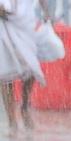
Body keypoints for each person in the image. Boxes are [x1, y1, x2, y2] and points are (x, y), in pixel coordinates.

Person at [0, 0, 49, 132]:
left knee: (30, 65)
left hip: (24, 21)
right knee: (4, 71)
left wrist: (46, 10)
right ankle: (11, 119)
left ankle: (25, 105)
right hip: (3, 20)